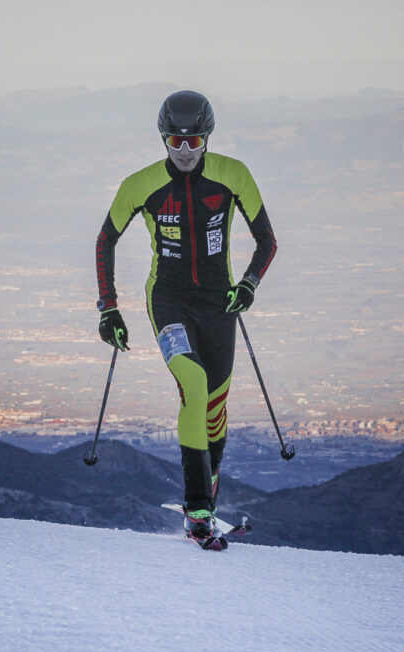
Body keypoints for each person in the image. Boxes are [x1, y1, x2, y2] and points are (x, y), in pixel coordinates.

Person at [94, 90, 277, 547]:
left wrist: (249, 285)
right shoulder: (141, 185)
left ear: (208, 138)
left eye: (194, 141)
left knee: (215, 409)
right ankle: (197, 508)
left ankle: (209, 485)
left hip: (220, 303)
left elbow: (267, 240)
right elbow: (105, 241)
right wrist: (109, 308)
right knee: (192, 385)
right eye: (175, 141)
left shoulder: (233, 175)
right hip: (169, 301)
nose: (185, 151)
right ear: (163, 139)